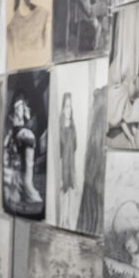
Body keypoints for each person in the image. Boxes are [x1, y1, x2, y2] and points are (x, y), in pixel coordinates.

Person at [58, 93, 78, 228]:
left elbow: (75, 147)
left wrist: (73, 169)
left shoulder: (73, 127)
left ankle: (67, 220)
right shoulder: (60, 127)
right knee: (63, 193)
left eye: (70, 107)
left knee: (71, 193)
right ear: (62, 109)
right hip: (62, 165)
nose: (69, 110)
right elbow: (60, 151)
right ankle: (61, 220)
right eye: (66, 107)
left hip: (71, 165)